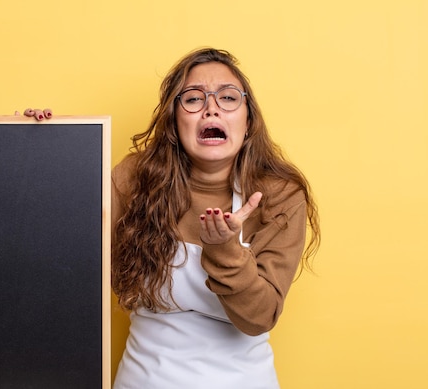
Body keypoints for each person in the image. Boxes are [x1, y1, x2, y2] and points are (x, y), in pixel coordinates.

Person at [25, 47, 320, 388]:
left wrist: (224, 249)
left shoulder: (279, 195)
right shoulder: (133, 179)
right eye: (193, 99)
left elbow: (259, 317)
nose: (211, 108)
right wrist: (35, 147)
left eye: (227, 98)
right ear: (173, 120)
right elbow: (66, 263)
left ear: (249, 119)